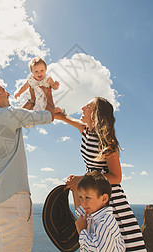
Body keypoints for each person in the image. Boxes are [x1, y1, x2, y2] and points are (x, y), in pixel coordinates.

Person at [55, 97, 146, 252]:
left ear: (97, 114)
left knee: (125, 245)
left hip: (110, 199)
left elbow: (116, 177)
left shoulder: (106, 140)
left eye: (88, 106)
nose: (83, 107)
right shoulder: (85, 130)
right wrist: (52, 112)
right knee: (96, 242)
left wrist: (83, 180)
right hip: (94, 194)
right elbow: (64, 117)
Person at [0, 82, 55, 251]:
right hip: (12, 200)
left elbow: (16, 118)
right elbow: (48, 116)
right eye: (4, 91)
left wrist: (31, 101)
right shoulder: (10, 115)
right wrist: (48, 94)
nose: (8, 93)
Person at [74, 171, 126, 252]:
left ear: (104, 198)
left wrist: (82, 232)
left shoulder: (105, 222)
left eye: (87, 197)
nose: (83, 202)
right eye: (81, 197)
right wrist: (73, 188)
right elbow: (79, 211)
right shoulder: (91, 214)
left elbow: (97, 250)